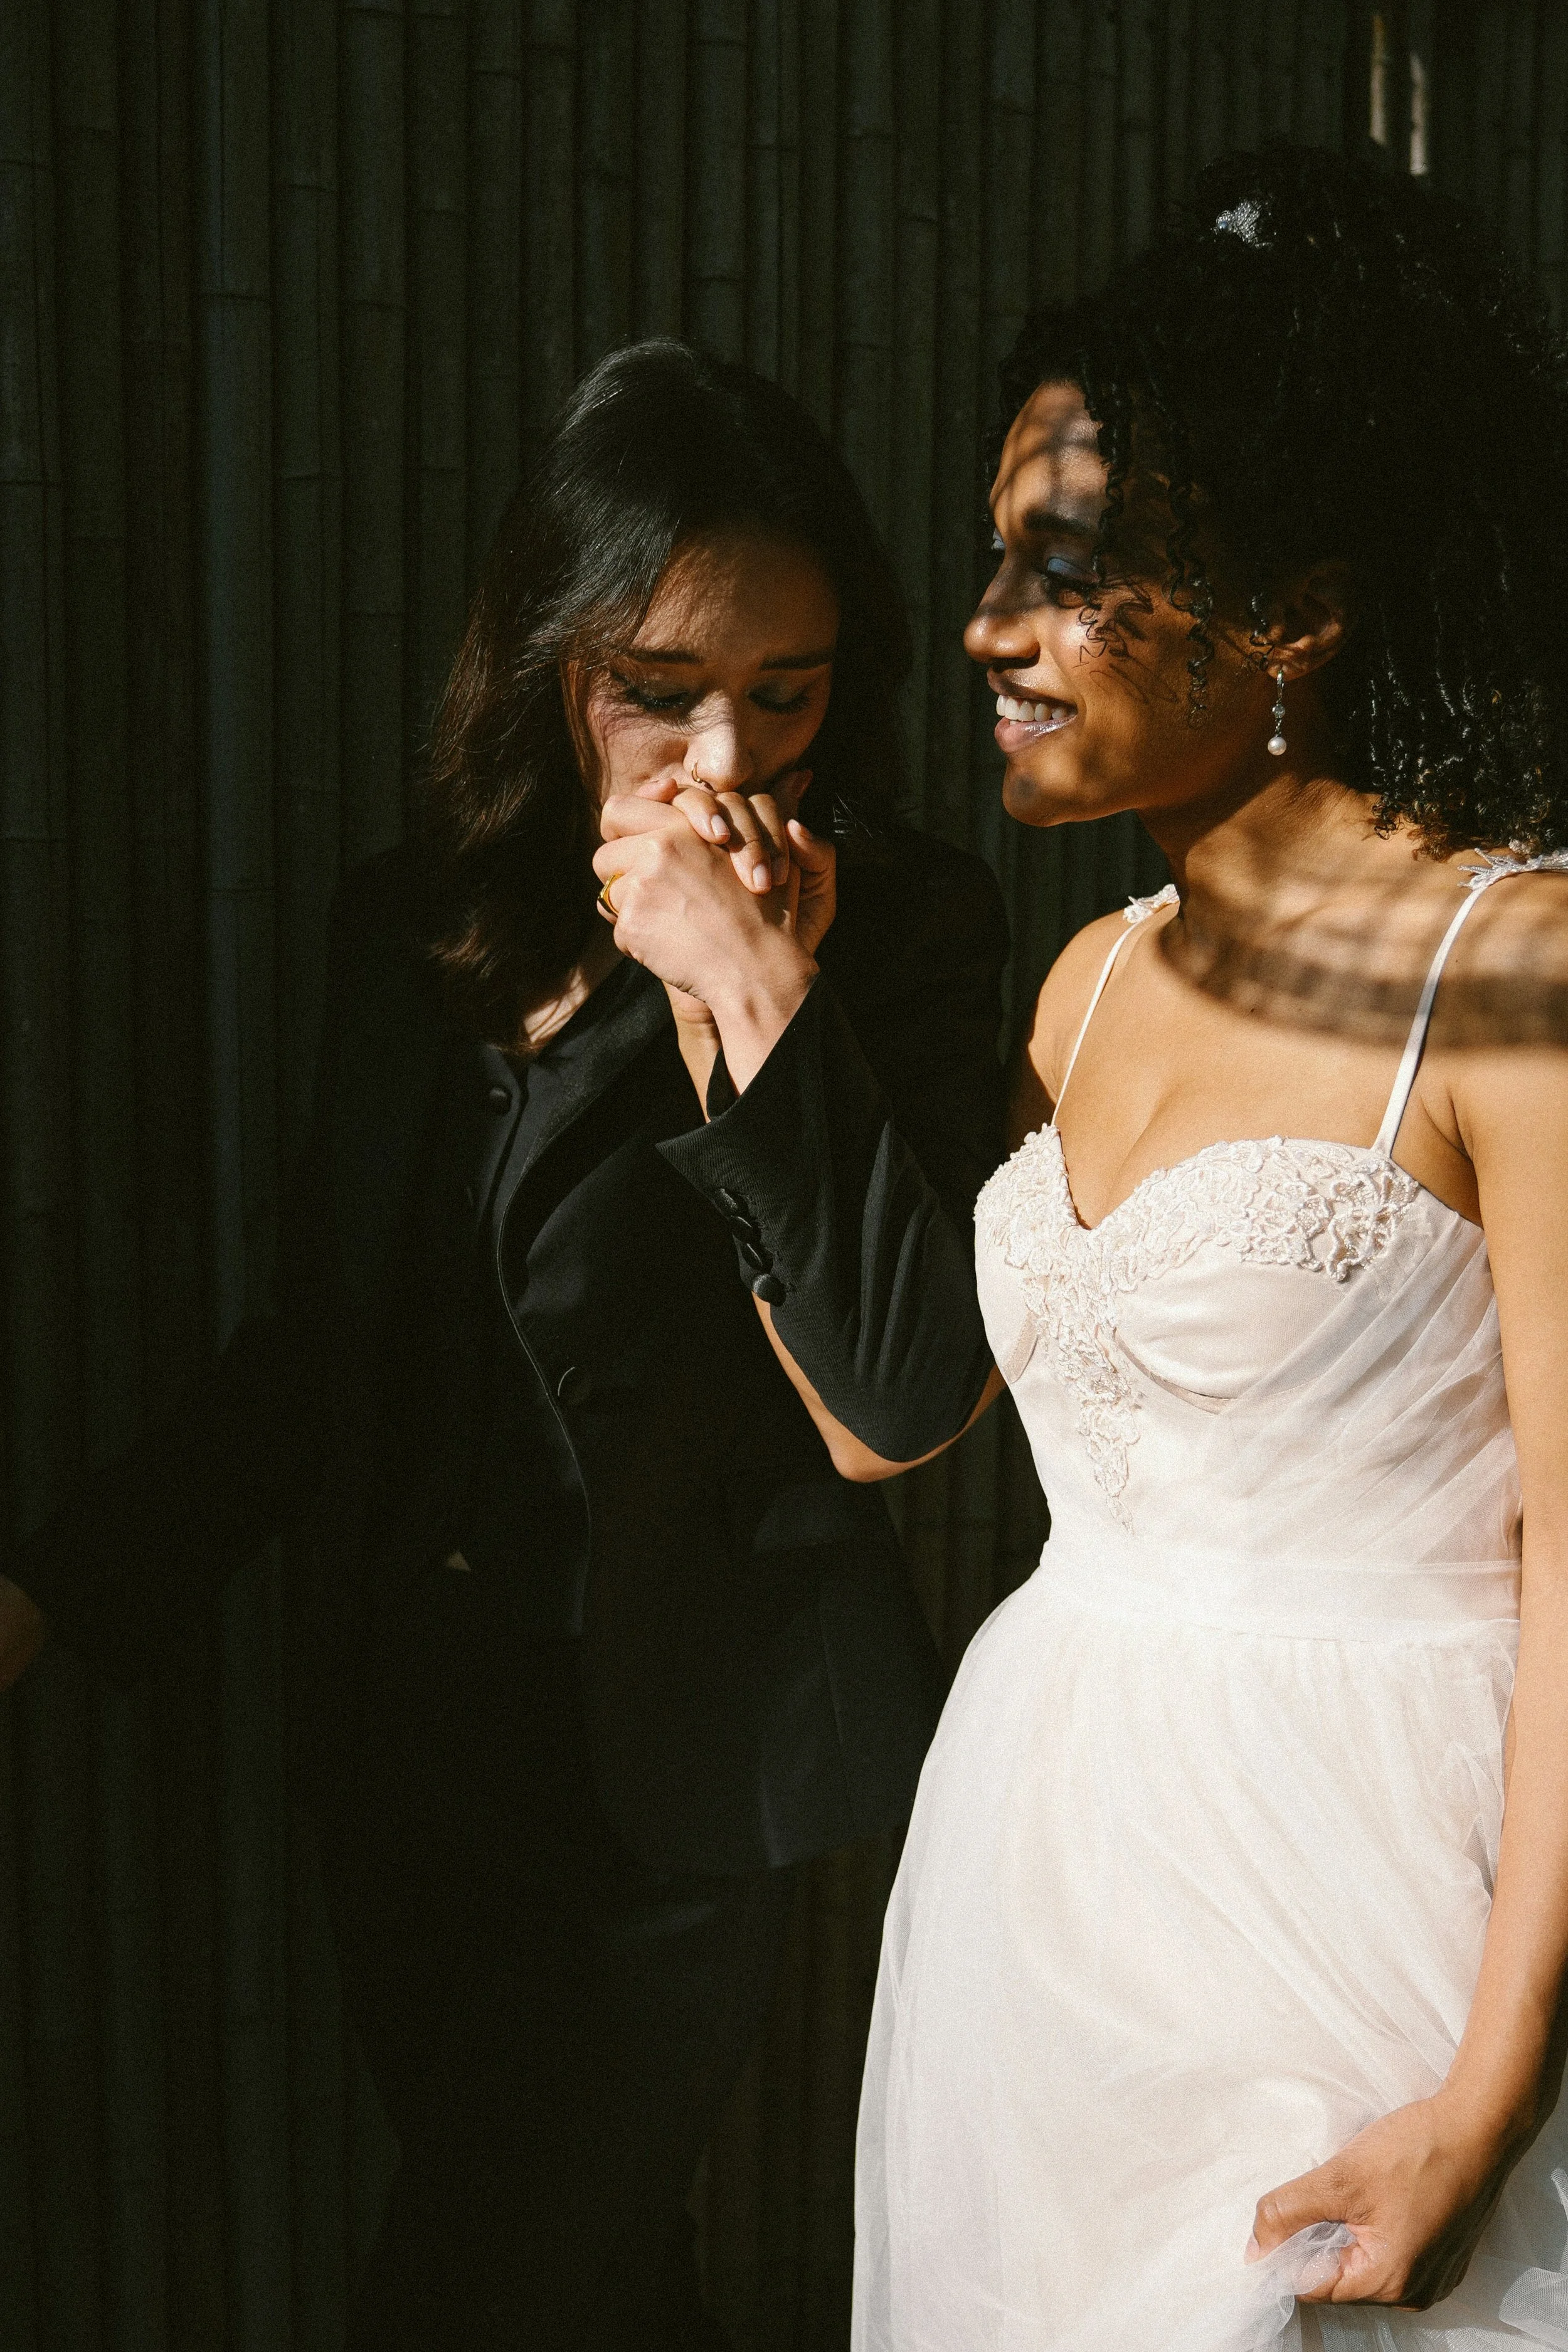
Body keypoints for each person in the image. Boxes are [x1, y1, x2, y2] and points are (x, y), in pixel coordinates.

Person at [0, 341, 1007, 2349]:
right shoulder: (417, 931)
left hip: (681, 1785)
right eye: (661, 688)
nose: (724, 757)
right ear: (556, 665)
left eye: (784, 695)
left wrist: (751, 999)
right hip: (417, 1771)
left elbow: (897, 1379)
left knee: (473, 2288)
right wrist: (45, 1596)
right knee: (602, 2295)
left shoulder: (896, 936)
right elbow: (318, 1357)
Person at [851, 147, 1568, 2350]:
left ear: (1295, 605)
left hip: (1365, 1888)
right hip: (1033, 1892)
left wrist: (1483, 2087)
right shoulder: (1081, 992)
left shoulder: (1511, 966)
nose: (990, 629)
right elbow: (890, 1433)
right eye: (995, 564)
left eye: (1068, 572)